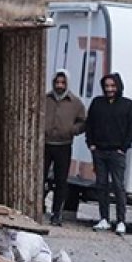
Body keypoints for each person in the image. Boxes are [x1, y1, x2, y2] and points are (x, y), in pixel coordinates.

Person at [85, 72, 132, 236]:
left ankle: (121, 220)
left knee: (118, 186)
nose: (109, 89)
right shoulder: (97, 103)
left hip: (117, 152)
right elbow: (90, 124)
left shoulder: (128, 105)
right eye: (107, 86)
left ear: (118, 86)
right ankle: (104, 218)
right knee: (101, 185)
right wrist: (91, 144)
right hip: (99, 151)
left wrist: (123, 147)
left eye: (112, 86)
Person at [43, 69, 86, 225]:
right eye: (57, 82)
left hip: (64, 145)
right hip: (45, 144)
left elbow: (83, 121)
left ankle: (57, 214)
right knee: (40, 178)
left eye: (62, 83)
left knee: (61, 181)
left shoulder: (75, 102)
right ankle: (38, 209)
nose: (59, 85)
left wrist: (73, 130)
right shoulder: (45, 99)